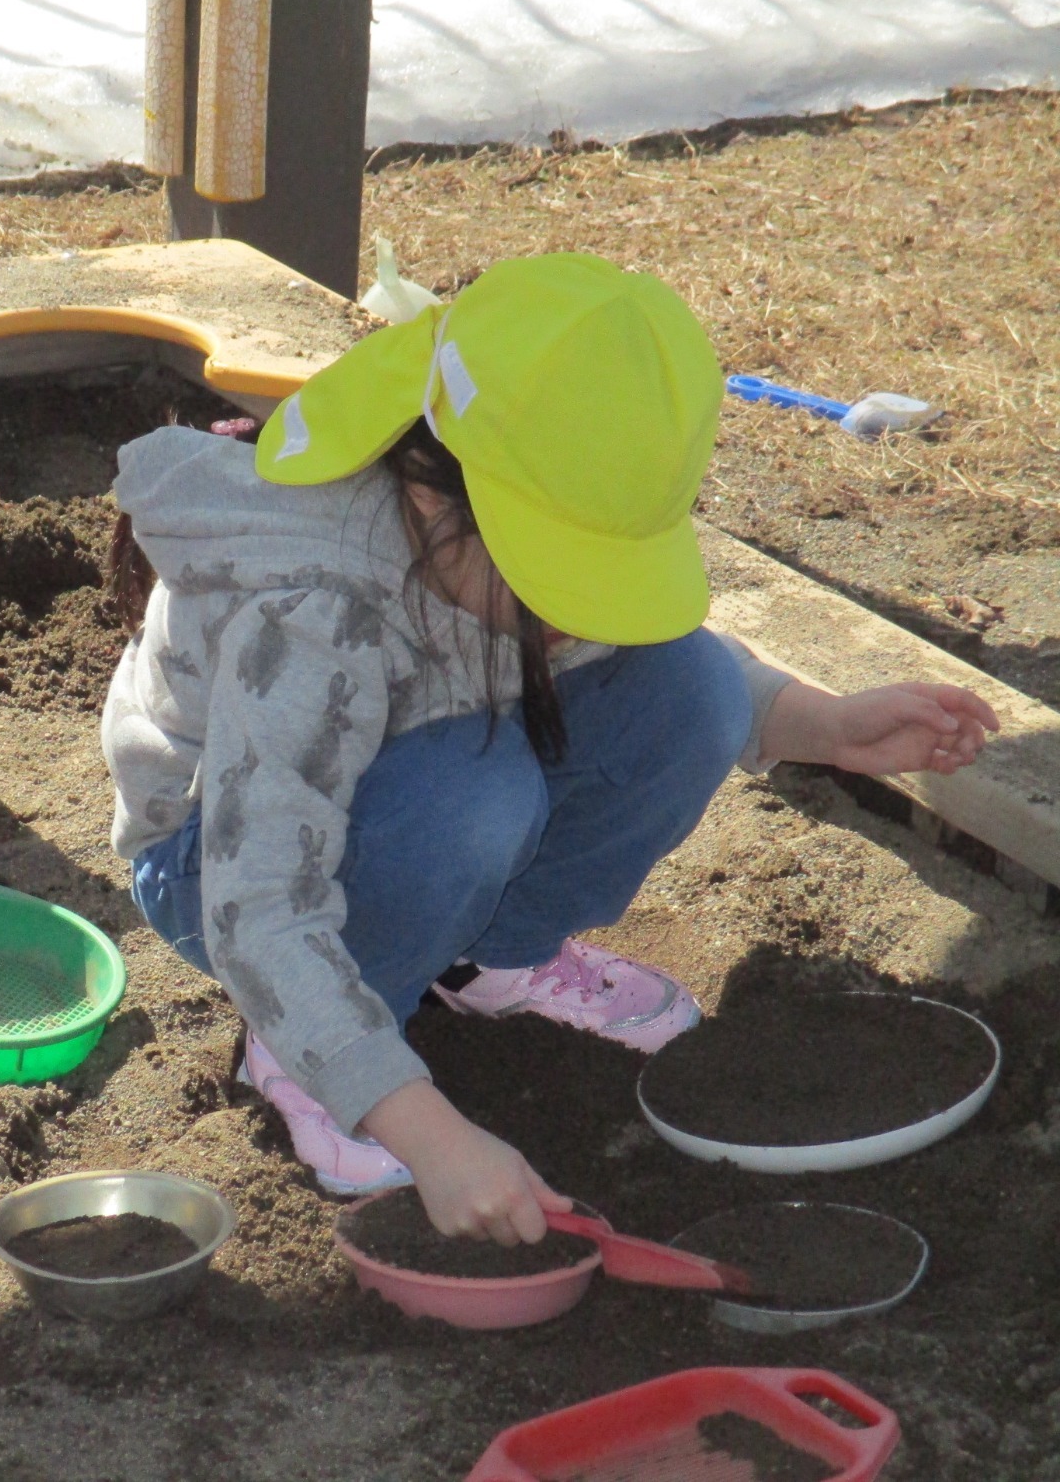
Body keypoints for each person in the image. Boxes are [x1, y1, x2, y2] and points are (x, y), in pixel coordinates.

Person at [102, 253, 997, 1245]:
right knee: (477, 799)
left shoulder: (497, 506)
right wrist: (431, 1134)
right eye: (553, 580)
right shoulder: (314, 613)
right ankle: (310, 1046)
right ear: (436, 503)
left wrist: (822, 726)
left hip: (411, 787)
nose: (576, 619)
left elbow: (650, 671)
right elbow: (256, 906)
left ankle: (493, 956)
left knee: (692, 687)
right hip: (219, 864)